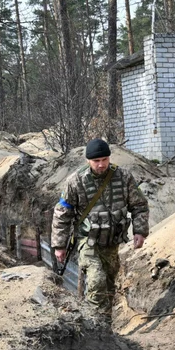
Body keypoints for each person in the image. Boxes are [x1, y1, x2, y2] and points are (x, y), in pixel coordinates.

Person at [51, 139, 150, 326]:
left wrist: (140, 231)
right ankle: (95, 327)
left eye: (104, 159)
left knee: (109, 286)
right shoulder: (76, 181)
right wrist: (59, 245)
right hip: (87, 242)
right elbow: (62, 214)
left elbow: (140, 206)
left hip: (112, 242)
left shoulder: (123, 177)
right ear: (88, 160)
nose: (101, 164)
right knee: (96, 280)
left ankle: (105, 327)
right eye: (96, 161)